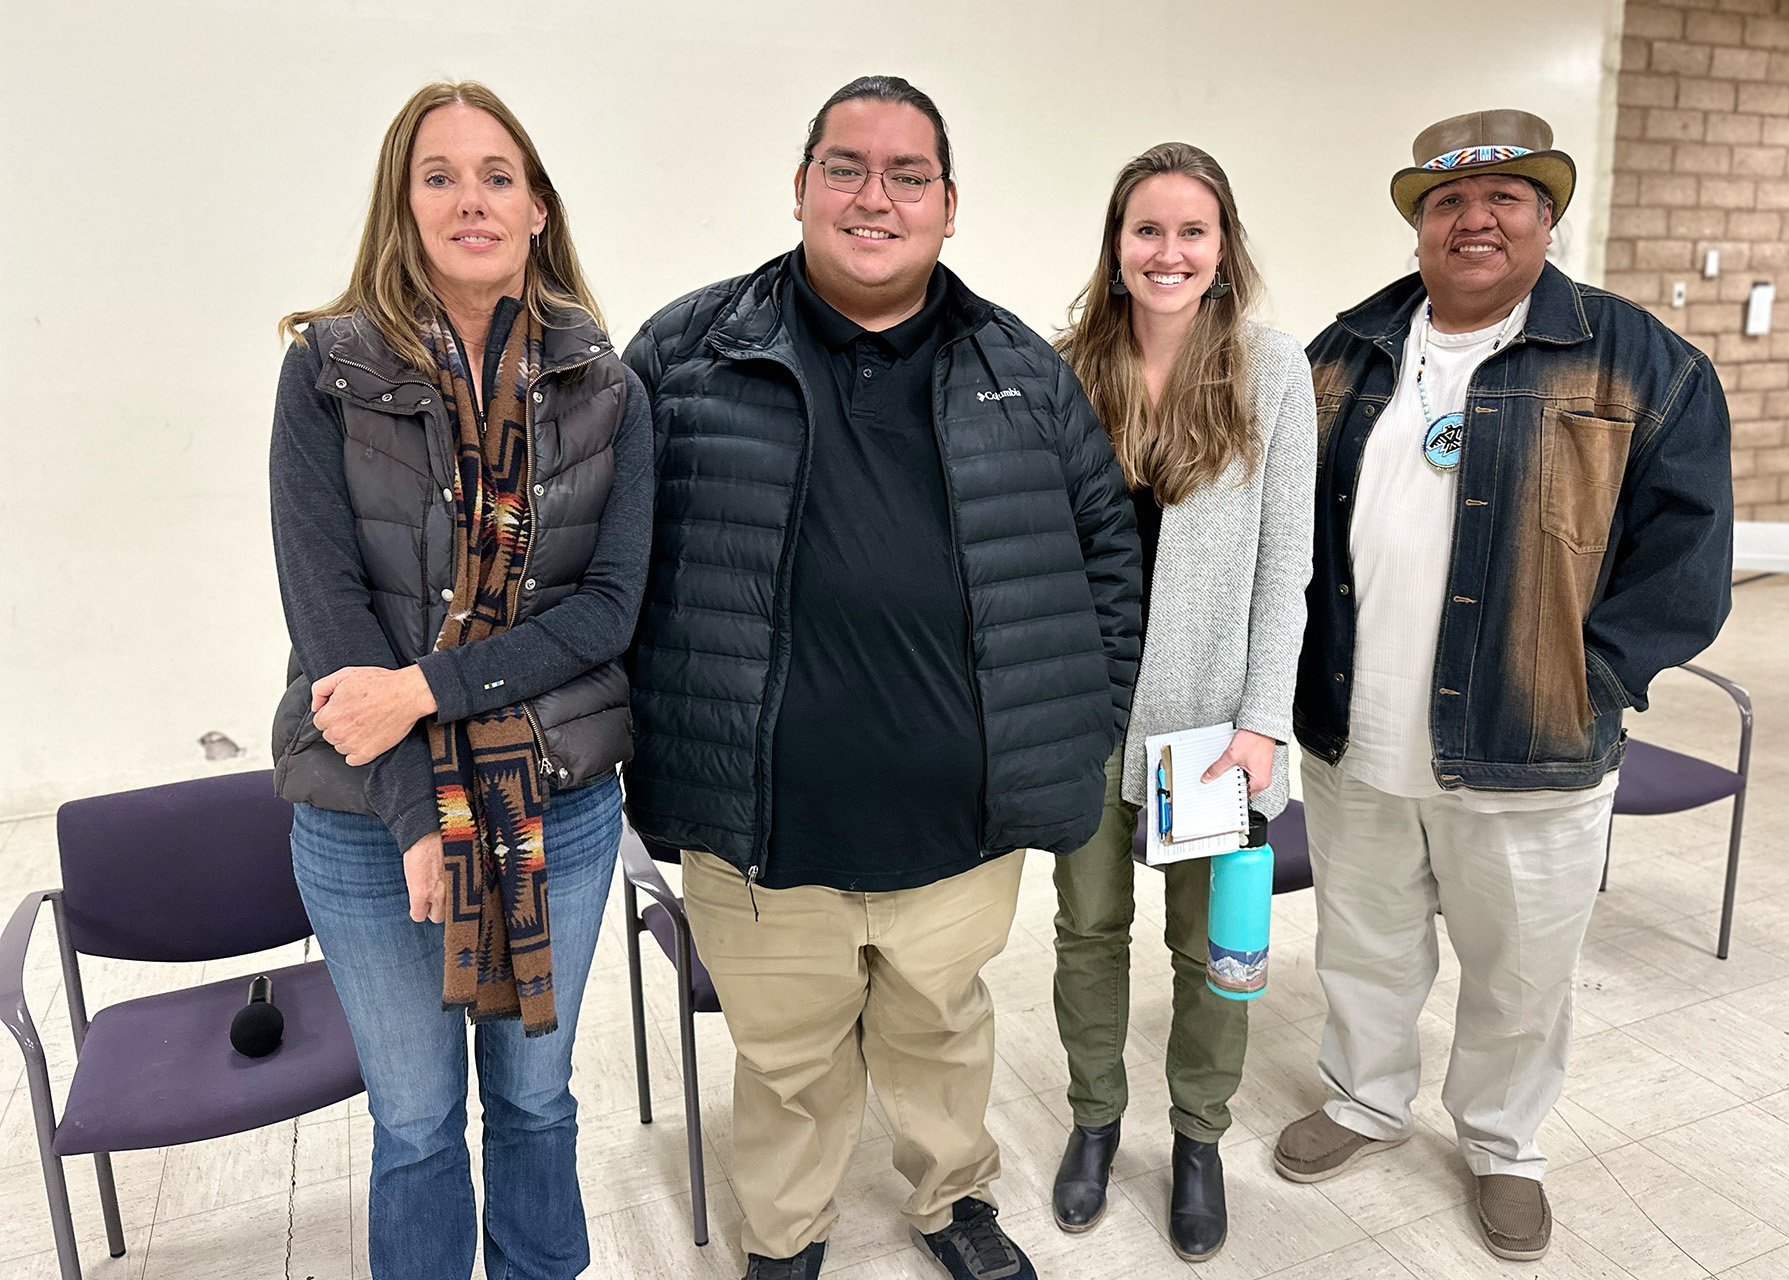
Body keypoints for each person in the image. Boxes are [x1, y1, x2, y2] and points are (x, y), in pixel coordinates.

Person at [621, 75, 1139, 1280]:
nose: (876, 196)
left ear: (949, 205)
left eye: (909, 175)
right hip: (760, 828)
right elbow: (612, 566)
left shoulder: (1020, 367)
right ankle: (787, 1235)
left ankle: (951, 1197)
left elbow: (1105, 557)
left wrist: (1077, 729)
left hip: (958, 827)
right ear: (801, 186)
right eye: (846, 167)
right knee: (787, 1059)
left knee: (943, 1029)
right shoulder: (687, 354)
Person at [1275, 109, 1733, 1261]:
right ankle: (1367, 1096)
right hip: (1354, 725)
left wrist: (1597, 673)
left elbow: (1688, 551)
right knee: (1365, 939)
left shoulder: (1641, 362)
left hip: (1531, 736)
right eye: (1447, 203)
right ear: (1420, 223)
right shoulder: (1342, 351)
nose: (1474, 219)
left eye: (1506, 199)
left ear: (1545, 217)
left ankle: (1501, 1143)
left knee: (1521, 965)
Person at [269, 80, 651, 1280]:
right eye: (440, 174)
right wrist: (415, 812)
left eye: (498, 175)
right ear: (404, 202)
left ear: (538, 207)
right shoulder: (325, 371)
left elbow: (606, 611)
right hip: (365, 815)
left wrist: (430, 689)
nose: (471, 198)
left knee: (537, 1101)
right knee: (419, 1120)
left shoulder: (609, 385)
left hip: (556, 804)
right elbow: (328, 611)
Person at [1046, 142, 1314, 1262]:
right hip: (1088, 713)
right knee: (1087, 930)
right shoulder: (1066, 367)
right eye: (1146, 230)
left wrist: (1263, 722)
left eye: (1191, 231)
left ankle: (1198, 1136)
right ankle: (1097, 1119)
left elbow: (1286, 563)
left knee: (1212, 949)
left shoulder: (1272, 368)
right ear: (1116, 247)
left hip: (1214, 725)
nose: (1169, 251)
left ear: (1223, 246)